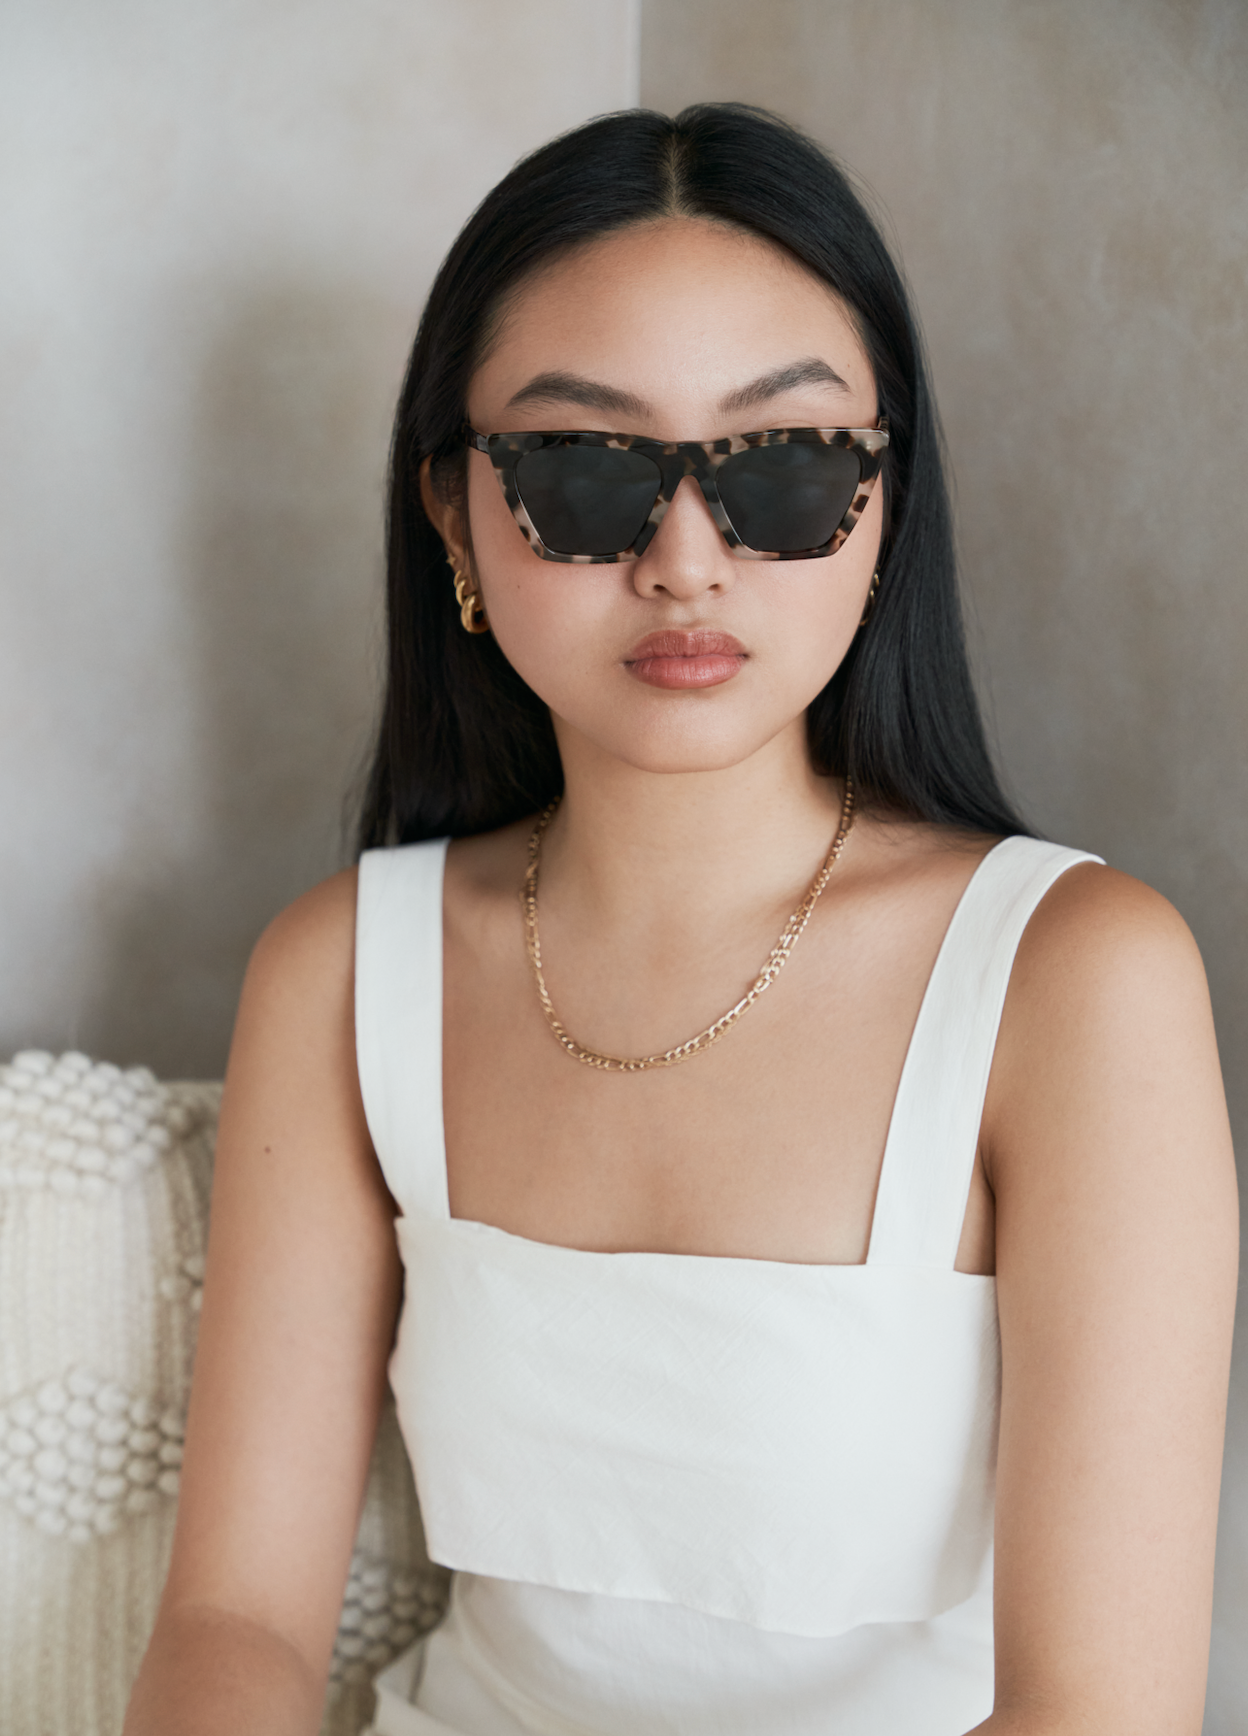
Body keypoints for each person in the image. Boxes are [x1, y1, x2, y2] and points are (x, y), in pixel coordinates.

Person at [124, 105, 1237, 1736]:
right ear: (456, 514)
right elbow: (236, 1622)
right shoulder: (345, 970)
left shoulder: (1076, 981)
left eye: (785, 469)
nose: (688, 558)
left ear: (884, 503)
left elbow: (1101, 1710)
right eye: (584, 469)